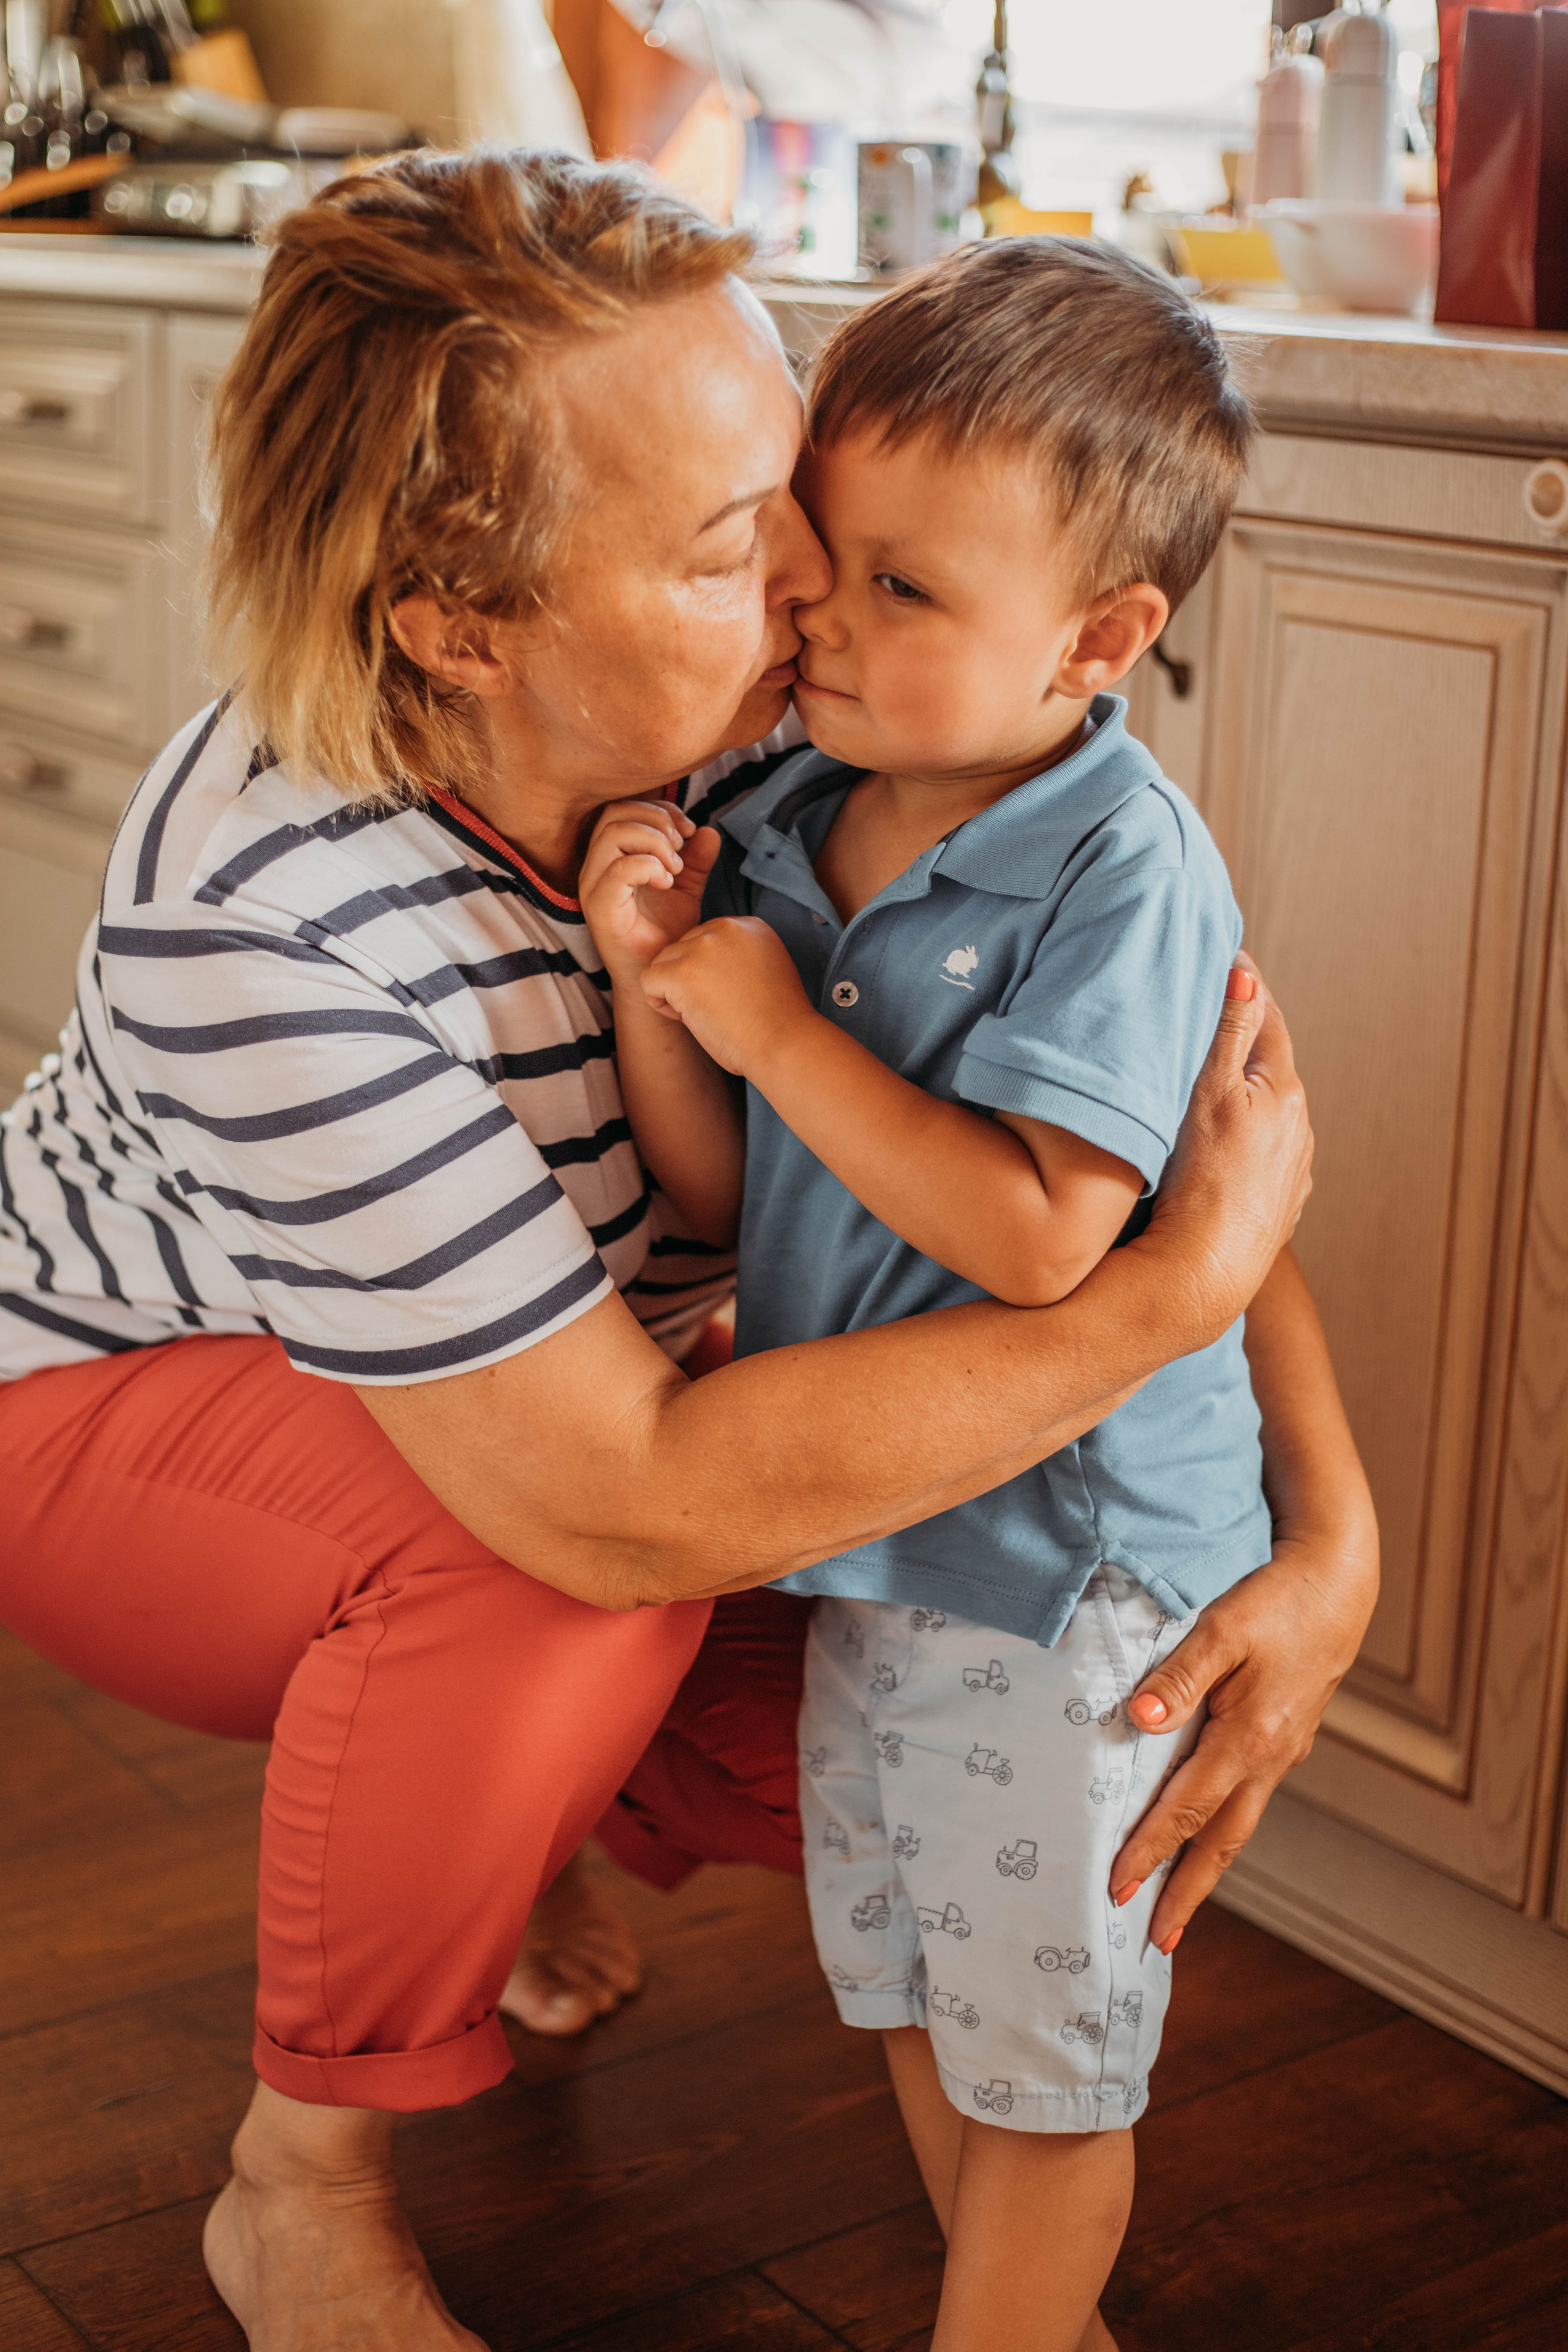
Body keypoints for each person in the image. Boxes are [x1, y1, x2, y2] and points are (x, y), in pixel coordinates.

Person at [0, 153, 1366, 2352]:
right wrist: (1159, 1310)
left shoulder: (778, 751)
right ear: (462, 619)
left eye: (797, 488)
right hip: (106, 1406)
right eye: (743, 544)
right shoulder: (268, 919)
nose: (822, 581)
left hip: (567, 1382)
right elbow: (629, 1499)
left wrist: (1337, 1529)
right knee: (553, 1586)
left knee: (908, 1712)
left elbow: (1172, 1152)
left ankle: (481, 1829)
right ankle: (299, 2186)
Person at [582, 238, 1363, 2352]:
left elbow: (1045, 1240)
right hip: (885, 1530)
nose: (823, 617)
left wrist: (770, 1034)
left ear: (1103, 639)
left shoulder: (1122, 864)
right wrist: (671, 985)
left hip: (1071, 1573)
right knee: (927, 1989)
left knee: (1045, 2061)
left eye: (908, 592)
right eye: (824, 562)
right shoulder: (792, 812)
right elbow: (732, 1186)